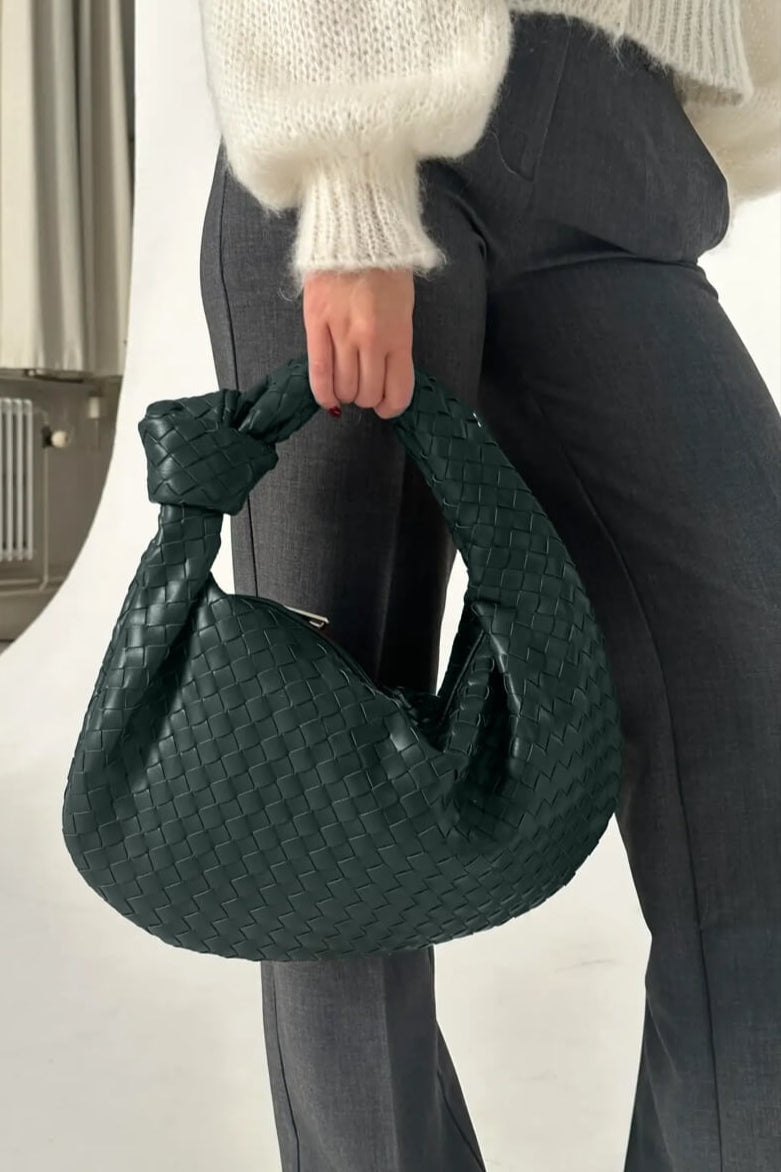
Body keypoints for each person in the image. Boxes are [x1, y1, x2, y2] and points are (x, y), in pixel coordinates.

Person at [197, 2, 781, 1169]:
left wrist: (722, 104)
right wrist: (348, 181)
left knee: (752, 733)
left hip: (620, 135)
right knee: (337, 795)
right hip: (372, 90)